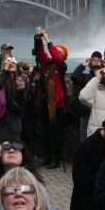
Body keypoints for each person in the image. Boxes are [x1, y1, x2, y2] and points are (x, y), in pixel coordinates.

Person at [33, 29, 69, 169]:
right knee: (45, 131)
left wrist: (49, 41)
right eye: (56, 51)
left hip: (56, 105)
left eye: (60, 52)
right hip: (44, 101)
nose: (56, 53)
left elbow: (58, 58)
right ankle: (46, 157)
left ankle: (55, 159)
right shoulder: (47, 64)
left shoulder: (61, 66)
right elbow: (41, 54)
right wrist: (38, 39)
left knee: (55, 133)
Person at [0, 56, 29, 142]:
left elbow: (23, 102)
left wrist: (20, 90)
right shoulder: (1, 76)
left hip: (14, 117)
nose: (11, 63)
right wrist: (5, 70)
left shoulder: (23, 79)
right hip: (1, 116)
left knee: (13, 145)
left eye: (14, 62)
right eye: (8, 61)